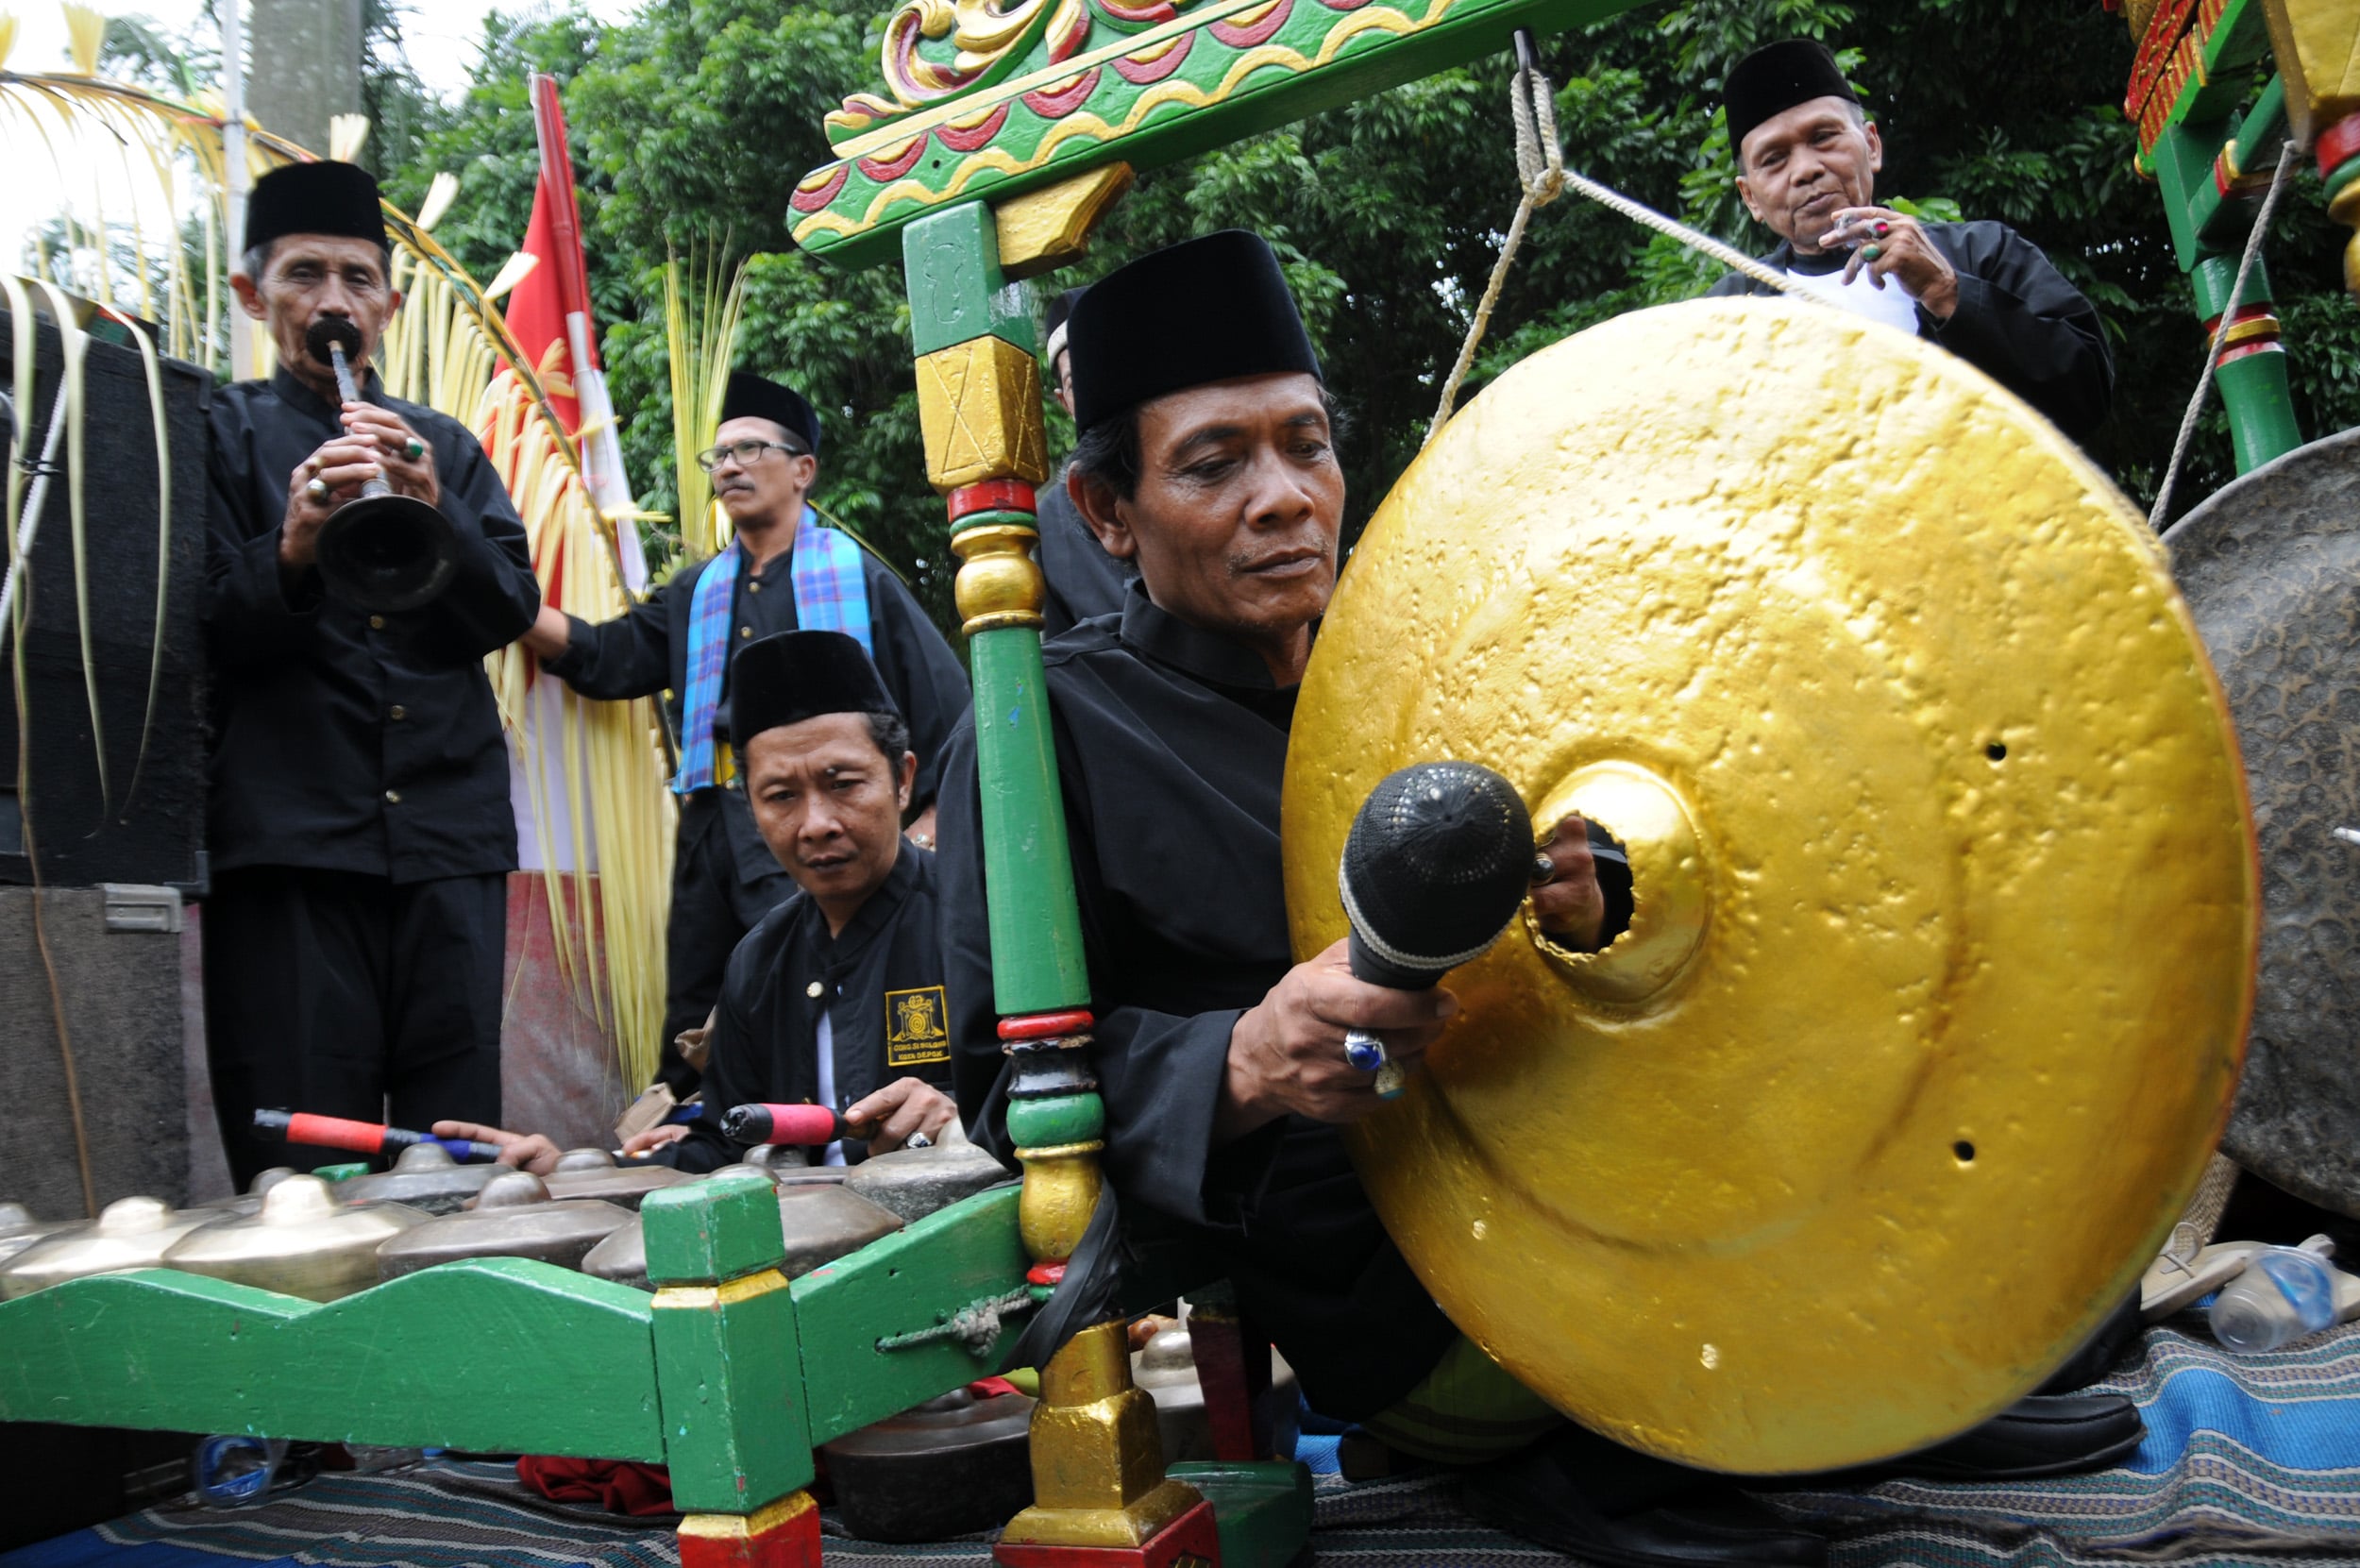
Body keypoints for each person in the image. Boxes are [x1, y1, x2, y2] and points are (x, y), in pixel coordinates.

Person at [937, 230, 2141, 1568]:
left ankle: (1848, 1406)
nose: (1284, 496)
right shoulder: (1044, 722)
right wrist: (1245, 1059)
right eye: (1214, 463)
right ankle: (1569, 1441)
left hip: (1598, 1133)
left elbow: (1607, 860)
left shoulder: (1417, 653)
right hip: (1376, 1244)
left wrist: (1594, 883)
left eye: (1307, 444)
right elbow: (1005, 1087)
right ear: (1109, 514)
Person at [202, 160, 541, 1189]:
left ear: (390, 303)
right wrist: (294, 545)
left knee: (454, 1140)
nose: (336, 301)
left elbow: (512, 609)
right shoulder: (215, 432)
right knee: (302, 1145)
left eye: (358, 278)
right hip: (291, 841)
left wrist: (434, 515)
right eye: (307, 275)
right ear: (254, 297)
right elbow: (195, 621)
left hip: (447, 837)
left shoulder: (444, 445)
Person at [518, 374, 969, 1095]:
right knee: (695, 1002)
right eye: (718, 456)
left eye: (749, 449)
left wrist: (924, 831)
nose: (728, 466)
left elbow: (948, 707)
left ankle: (814, 1140)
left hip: (816, 823)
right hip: (714, 824)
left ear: (803, 469)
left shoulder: (857, 576)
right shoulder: (698, 591)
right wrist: (504, 603)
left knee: (812, 994)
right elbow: (608, 657)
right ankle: (692, 1143)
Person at [440, 630, 960, 1175]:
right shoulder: (758, 962)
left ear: (902, 781)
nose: (816, 825)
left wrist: (960, 1119)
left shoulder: (978, 923)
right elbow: (726, 1144)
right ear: (752, 807)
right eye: (782, 796)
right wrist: (576, 1170)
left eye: (844, 784)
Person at [1706, 39, 2114, 442]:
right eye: (1774, 160)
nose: (1806, 169)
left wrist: (1948, 294)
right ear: (1750, 197)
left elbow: (2087, 393)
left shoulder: (1980, 253)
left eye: (1823, 137)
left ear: (1871, 144)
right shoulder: (1726, 314)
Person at [1036, 285, 1134, 636]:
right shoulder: (1053, 518)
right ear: (1064, 402)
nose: (1101, 392)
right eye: (1080, 382)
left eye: (1113, 368)